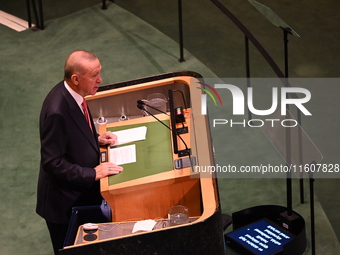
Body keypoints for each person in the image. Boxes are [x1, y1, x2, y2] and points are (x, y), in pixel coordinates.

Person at [36, 50, 123, 254]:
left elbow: (73, 133)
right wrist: (93, 173)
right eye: (94, 75)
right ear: (76, 79)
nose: (100, 80)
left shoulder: (75, 95)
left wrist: (96, 139)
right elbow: (52, 162)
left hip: (82, 195)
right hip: (65, 205)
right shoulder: (57, 111)